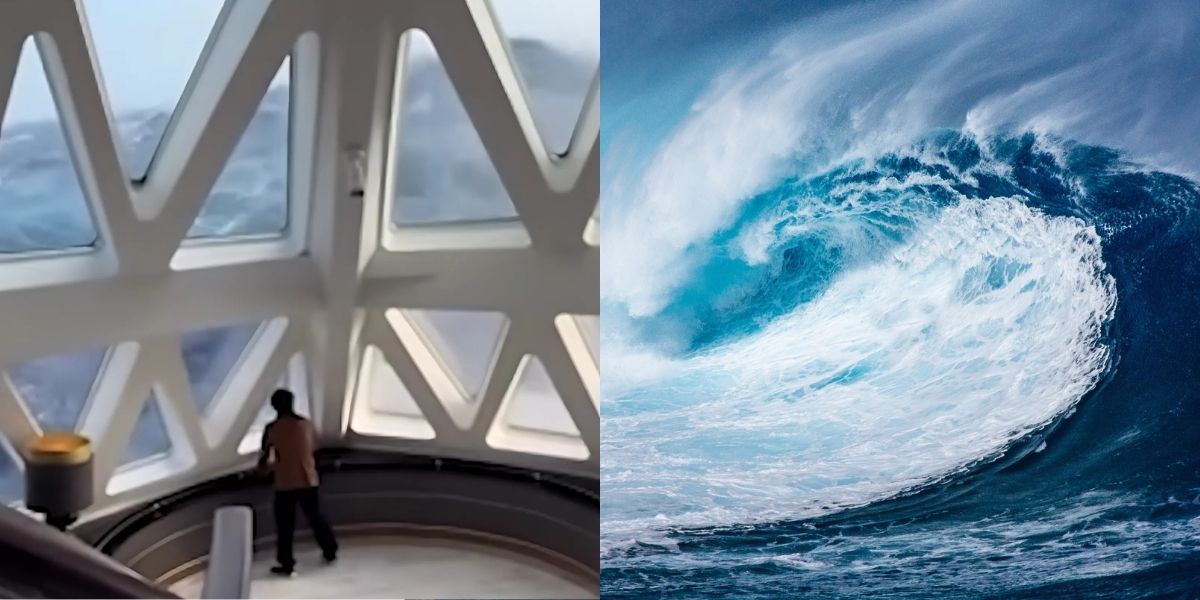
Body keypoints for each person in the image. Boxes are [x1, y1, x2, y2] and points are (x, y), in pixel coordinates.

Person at [257, 389, 338, 576]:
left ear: (274, 406)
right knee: (317, 518)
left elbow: (264, 456)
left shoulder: (272, 429)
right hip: (308, 480)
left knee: (285, 526)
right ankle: (330, 549)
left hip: (285, 483)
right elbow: (314, 449)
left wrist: (263, 469)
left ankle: (287, 563)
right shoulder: (306, 425)